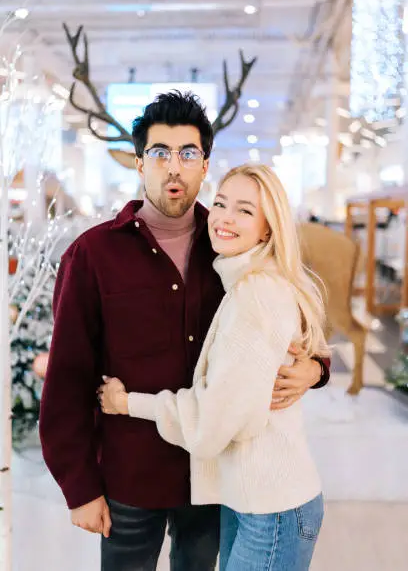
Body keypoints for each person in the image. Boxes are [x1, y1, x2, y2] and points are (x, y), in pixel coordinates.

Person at [39, 92, 330, 571]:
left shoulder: (233, 250)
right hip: (130, 479)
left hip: (213, 482)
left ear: (204, 164)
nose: (174, 167)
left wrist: (314, 368)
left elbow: (295, 317)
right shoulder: (93, 255)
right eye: (159, 153)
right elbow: (68, 376)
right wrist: (79, 487)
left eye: (188, 154)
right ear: (139, 163)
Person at [99, 164, 331, 571]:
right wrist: (315, 367)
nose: (223, 217)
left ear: (268, 228)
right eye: (221, 203)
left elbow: (210, 423)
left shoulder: (254, 295)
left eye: (244, 210)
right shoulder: (248, 279)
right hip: (255, 499)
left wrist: (127, 403)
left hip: (271, 507)